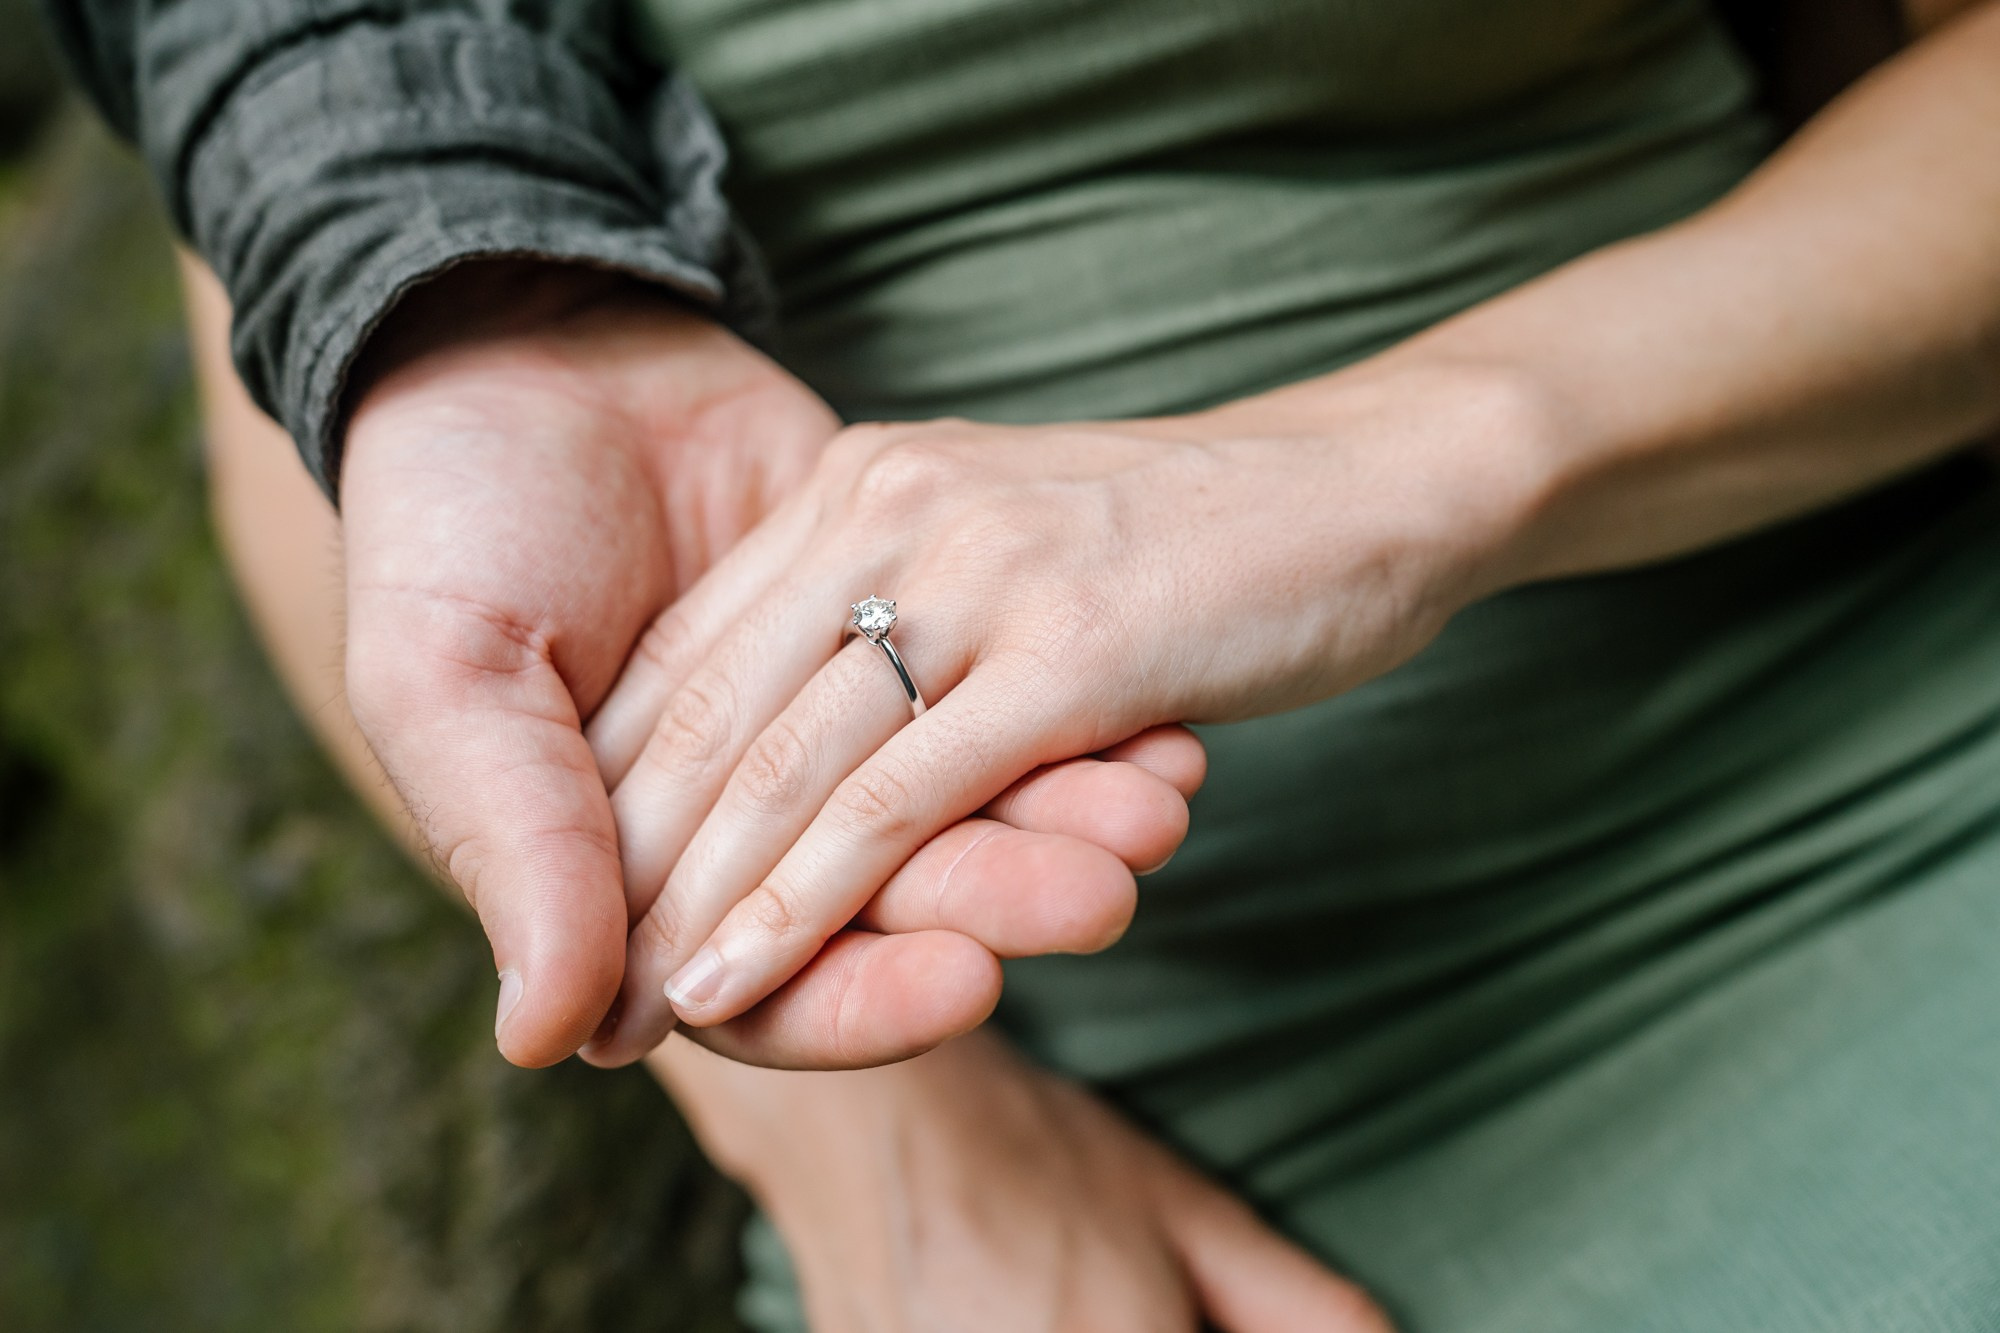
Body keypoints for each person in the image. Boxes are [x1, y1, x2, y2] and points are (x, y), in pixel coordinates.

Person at [48, 0, 2000, 1327]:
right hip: (1055, 1126)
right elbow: (322, 416)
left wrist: (1395, 471)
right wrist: (878, 1138)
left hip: (1877, 784)